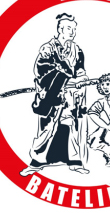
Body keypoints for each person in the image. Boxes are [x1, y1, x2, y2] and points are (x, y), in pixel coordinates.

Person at [22, 13, 88, 176]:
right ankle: (36, 162)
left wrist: (81, 78)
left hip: (70, 96)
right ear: (60, 29)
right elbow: (41, 71)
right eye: (69, 28)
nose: (72, 32)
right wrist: (64, 78)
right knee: (47, 127)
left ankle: (74, 161)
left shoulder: (77, 50)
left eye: (74, 29)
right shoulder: (48, 48)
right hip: (52, 95)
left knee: (71, 126)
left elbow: (80, 70)